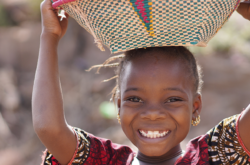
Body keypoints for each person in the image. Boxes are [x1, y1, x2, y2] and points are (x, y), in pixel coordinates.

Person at [33, 0, 250, 164]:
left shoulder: (215, 155)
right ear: (118, 105)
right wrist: (49, 36)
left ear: (195, 107)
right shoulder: (104, 160)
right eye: (135, 99)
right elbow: (50, 129)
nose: (152, 113)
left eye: (172, 99)